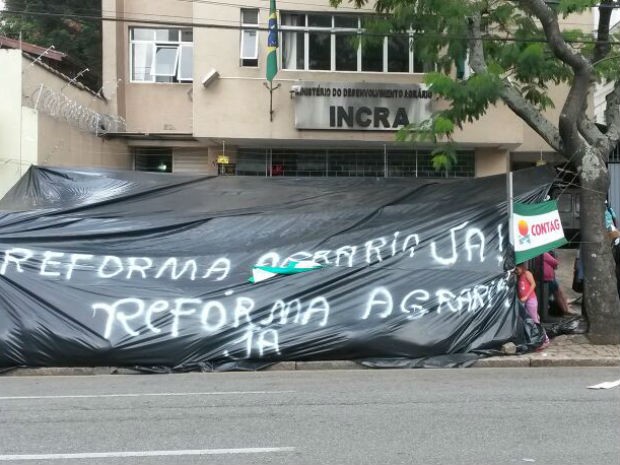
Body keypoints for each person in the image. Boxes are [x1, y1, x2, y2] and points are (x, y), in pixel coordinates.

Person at [516, 262, 549, 349]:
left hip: (531, 299)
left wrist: (526, 296)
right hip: (523, 301)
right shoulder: (518, 276)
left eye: (518, 269)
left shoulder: (527, 273)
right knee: (526, 320)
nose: (517, 271)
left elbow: (533, 284)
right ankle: (533, 339)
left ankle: (545, 339)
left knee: (535, 320)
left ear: (522, 267)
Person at [540, 251, 575, 316]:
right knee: (558, 293)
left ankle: (565, 307)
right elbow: (555, 262)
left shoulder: (538, 254)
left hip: (546, 277)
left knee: (558, 292)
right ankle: (565, 309)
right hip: (548, 277)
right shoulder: (543, 253)